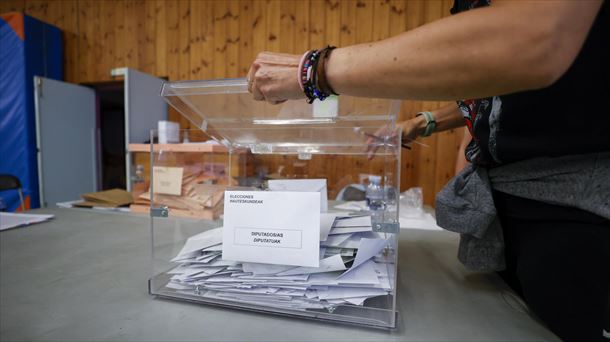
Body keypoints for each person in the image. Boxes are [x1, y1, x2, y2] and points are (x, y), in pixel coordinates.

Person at [247, 0, 610, 340]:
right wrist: (427, 121)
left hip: (580, 210)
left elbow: (532, 38)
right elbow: (495, 89)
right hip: (512, 209)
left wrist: (317, 70)